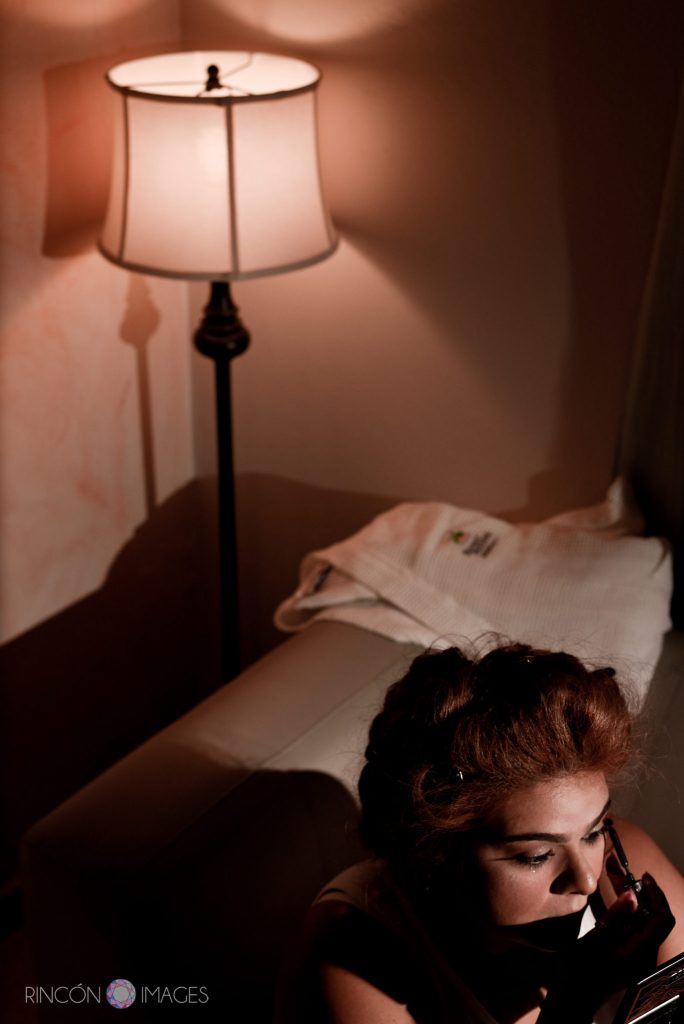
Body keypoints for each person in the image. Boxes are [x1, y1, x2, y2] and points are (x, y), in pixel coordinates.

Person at [275, 643, 684, 1024]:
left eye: (593, 832)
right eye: (536, 856)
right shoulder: (355, 948)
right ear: (436, 851)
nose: (587, 879)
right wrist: (574, 1001)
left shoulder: (624, 866)